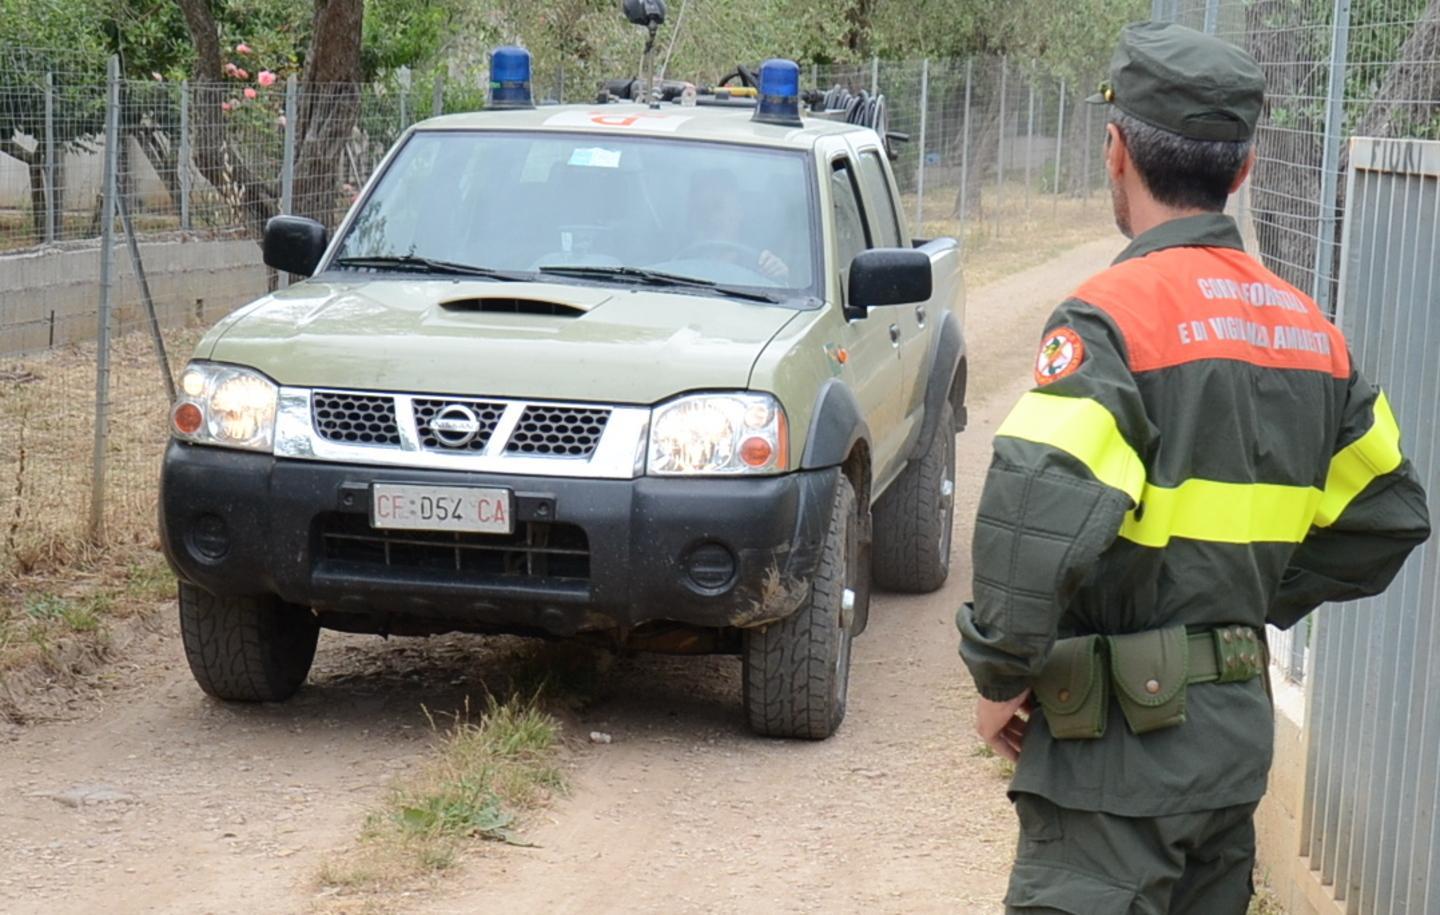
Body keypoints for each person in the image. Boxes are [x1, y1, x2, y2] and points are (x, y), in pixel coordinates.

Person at [957, 21, 1430, 914]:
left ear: (1114, 152)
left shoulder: (1108, 317)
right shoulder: (1311, 335)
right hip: (1229, 744)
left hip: (1113, 755)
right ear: (1244, 170)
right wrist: (1230, 607)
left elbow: (1029, 510)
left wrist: (1000, 678)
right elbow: (1390, 512)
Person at [685, 170, 790, 282]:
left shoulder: (762, 267)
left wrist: (778, 276)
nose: (709, 217)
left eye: (717, 206)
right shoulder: (675, 268)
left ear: (739, 212)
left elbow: (780, 296)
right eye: (701, 209)